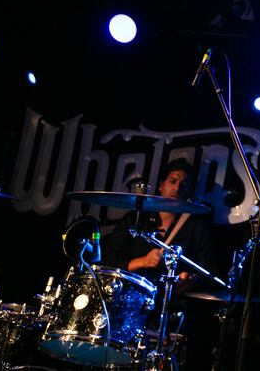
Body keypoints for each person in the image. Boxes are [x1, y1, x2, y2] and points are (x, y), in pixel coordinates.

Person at [101, 157, 216, 368]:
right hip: (127, 309)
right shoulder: (135, 220)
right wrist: (142, 261)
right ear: (162, 184)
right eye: (173, 181)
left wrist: (190, 279)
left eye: (184, 184)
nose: (178, 187)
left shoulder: (196, 227)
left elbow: (208, 270)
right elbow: (107, 261)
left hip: (170, 313)